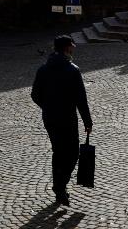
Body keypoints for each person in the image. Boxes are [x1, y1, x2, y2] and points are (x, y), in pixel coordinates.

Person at [31, 35, 93, 206]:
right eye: (72, 47)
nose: (73, 49)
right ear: (67, 49)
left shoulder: (42, 69)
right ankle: (60, 186)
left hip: (50, 118)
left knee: (58, 152)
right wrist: (88, 122)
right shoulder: (73, 70)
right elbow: (81, 99)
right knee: (73, 154)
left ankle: (59, 188)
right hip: (67, 119)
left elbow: (35, 95)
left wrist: (48, 107)